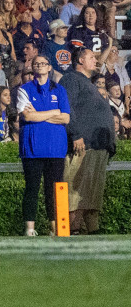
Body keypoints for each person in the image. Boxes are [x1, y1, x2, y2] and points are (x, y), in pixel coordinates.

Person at [61, 48, 118, 234]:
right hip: (84, 146)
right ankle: (73, 229)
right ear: (79, 60)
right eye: (92, 57)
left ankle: (93, 230)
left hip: (98, 147)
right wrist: (76, 134)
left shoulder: (87, 82)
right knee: (76, 193)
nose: (96, 60)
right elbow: (67, 107)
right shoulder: (71, 79)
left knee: (91, 195)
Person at [18, 56, 70, 236]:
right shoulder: (24, 89)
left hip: (55, 147)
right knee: (32, 188)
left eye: (43, 63)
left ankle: (55, 228)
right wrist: (53, 113)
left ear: (49, 67)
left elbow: (66, 117)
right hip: (32, 147)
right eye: (36, 64)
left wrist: (40, 114)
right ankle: (30, 228)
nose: (39, 66)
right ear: (32, 68)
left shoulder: (60, 90)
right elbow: (27, 116)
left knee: (53, 189)